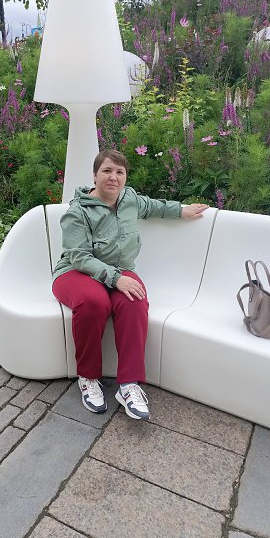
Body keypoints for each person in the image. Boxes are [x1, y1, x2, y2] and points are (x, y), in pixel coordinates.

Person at [52, 149, 208, 420]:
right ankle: (88, 377)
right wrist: (116, 279)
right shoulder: (78, 212)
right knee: (94, 302)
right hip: (76, 272)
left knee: (135, 300)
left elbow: (155, 206)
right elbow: (79, 257)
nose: (113, 177)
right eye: (107, 171)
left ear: (125, 177)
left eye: (119, 172)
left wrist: (182, 210)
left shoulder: (129, 199)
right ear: (95, 176)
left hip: (121, 271)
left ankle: (128, 385)